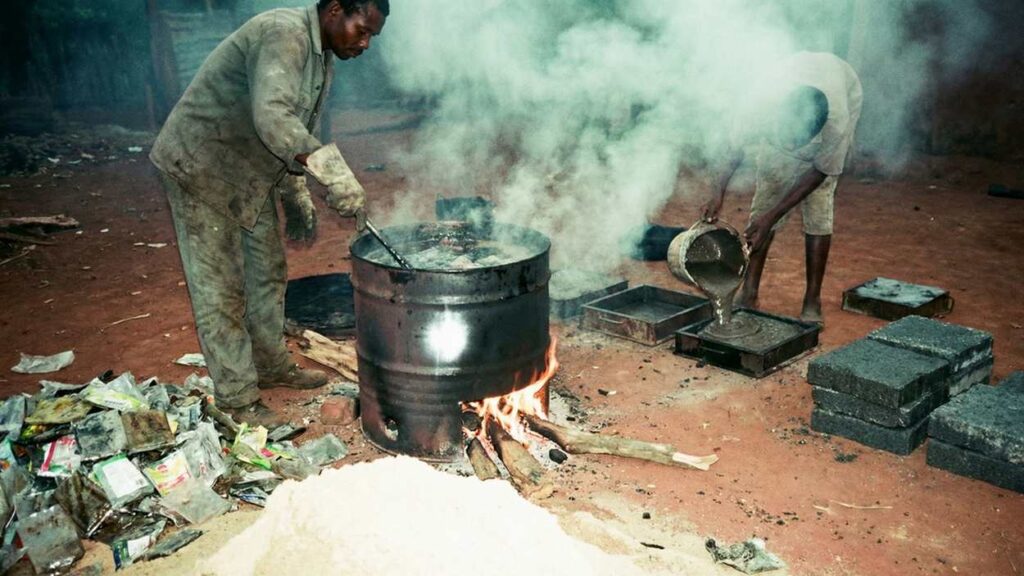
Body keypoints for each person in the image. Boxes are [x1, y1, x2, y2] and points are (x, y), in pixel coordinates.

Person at [150, 0, 389, 427]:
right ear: (335, 9)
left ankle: (270, 363)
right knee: (222, 288)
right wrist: (331, 172)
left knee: (266, 271)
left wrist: (294, 184)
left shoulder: (321, 55)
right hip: (203, 167)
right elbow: (273, 115)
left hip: (249, 172)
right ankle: (237, 400)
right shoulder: (285, 32)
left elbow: (292, 127)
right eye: (363, 30)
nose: (366, 43)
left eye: (372, 35)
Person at [703, 51, 862, 324]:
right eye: (787, 137)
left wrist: (773, 217)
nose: (792, 148)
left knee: (819, 208)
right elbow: (732, 150)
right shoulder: (758, 104)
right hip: (779, 124)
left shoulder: (837, 121)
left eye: (798, 142)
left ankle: (812, 299)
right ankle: (749, 292)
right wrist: (717, 193)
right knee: (763, 205)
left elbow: (821, 171)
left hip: (841, 87)